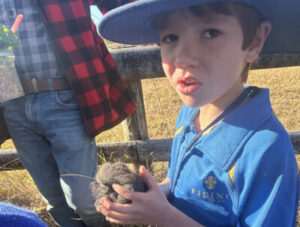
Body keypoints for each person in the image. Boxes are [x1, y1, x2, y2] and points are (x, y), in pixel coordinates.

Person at [96, 0, 300, 226]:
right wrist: (156, 193)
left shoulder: (267, 149)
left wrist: (164, 217)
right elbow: (178, 180)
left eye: (211, 33)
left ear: (255, 41)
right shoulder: (189, 113)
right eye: (170, 38)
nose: (182, 58)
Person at [0, 0, 135, 226]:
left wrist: (160, 23)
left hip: (64, 96)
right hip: (14, 102)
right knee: (53, 200)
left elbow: (121, 5)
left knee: (84, 200)